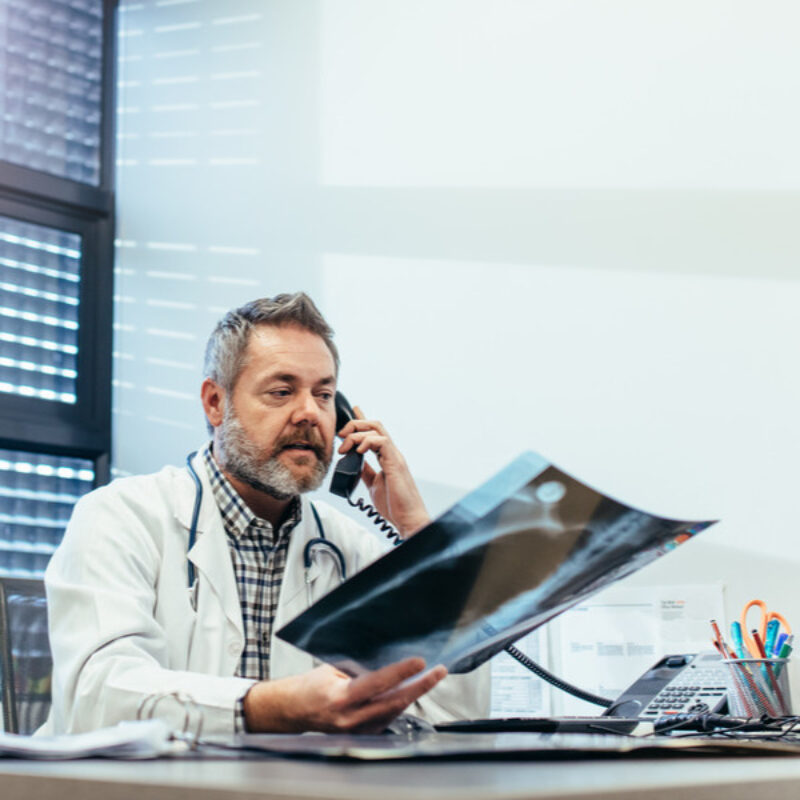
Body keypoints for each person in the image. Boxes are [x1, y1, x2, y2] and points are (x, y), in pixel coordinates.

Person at [40, 293, 489, 735]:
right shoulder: (120, 517)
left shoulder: (352, 549)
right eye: (282, 391)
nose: (311, 413)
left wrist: (420, 536)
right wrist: (274, 707)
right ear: (215, 403)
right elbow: (97, 697)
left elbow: (448, 716)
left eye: (325, 394)